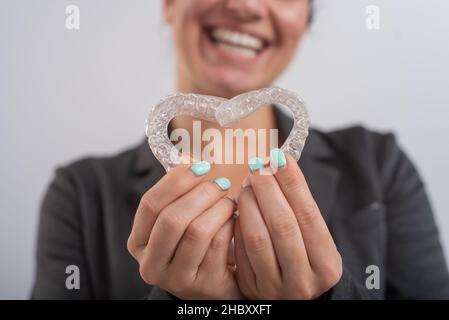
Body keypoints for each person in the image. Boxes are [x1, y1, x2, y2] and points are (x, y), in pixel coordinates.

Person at [32, 0, 449, 299]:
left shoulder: (378, 163)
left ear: (304, 20)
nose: (245, 5)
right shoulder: (80, 192)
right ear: (168, 5)